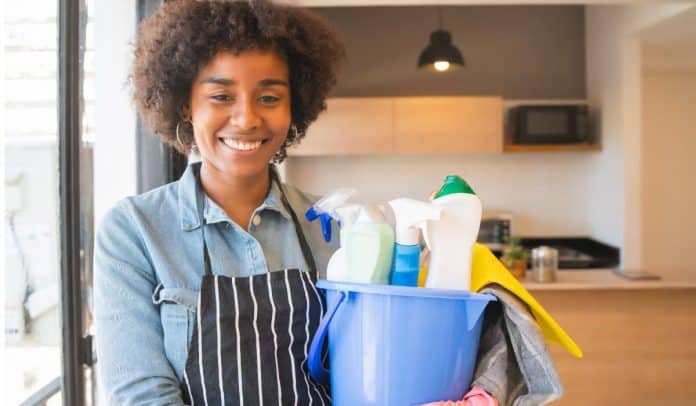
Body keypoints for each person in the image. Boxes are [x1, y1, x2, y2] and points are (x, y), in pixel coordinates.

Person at [93, 0, 345, 404]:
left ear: (293, 106)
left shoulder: (336, 227)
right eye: (221, 96)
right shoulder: (134, 231)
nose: (246, 119)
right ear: (184, 105)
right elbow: (142, 394)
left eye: (268, 97)